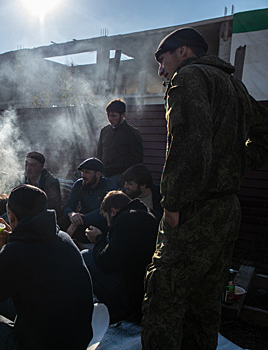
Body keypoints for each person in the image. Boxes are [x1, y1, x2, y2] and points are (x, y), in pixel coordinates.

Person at [141, 27, 268, 350]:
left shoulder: (188, 78)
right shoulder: (234, 86)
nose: (160, 70)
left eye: (162, 59)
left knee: (164, 299)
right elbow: (265, 130)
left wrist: (172, 204)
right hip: (227, 210)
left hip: (193, 209)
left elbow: (187, 144)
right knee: (206, 304)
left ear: (183, 51)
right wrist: (238, 162)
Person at [0, 184, 94, 350]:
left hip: (40, 344)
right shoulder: (61, 237)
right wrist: (13, 235)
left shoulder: (16, 252)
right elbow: (33, 249)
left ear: (11, 215)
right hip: (76, 337)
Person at [81, 191, 158, 323]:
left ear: (113, 211)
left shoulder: (126, 220)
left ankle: (118, 311)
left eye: (106, 218)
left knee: (85, 256)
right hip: (149, 286)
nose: (108, 224)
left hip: (136, 294)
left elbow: (106, 264)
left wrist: (98, 239)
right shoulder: (148, 215)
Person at [59, 157, 116, 247]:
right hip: (81, 221)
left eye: (87, 172)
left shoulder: (108, 186)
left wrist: (80, 220)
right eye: (83, 172)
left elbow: (103, 211)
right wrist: (72, 214)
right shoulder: (79, 184)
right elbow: (69, 206)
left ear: (98, 174)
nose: (83, 176)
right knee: (63, 221)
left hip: (98, 222)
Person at [97, 99, 143, 187]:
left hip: (121, 176)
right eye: (108, 115)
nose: (110, 119)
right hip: (104, 173)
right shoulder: (105, 131)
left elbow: (137, 160)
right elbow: (99, 153)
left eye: (114, 116)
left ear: (123, 115)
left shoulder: (132, 133)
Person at [23, 151, 61, 216]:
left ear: (41, 167)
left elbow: (52, 208)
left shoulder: (51, 183)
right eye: (26, 164)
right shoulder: (20, 178)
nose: (28, 168)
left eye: (32, 165)